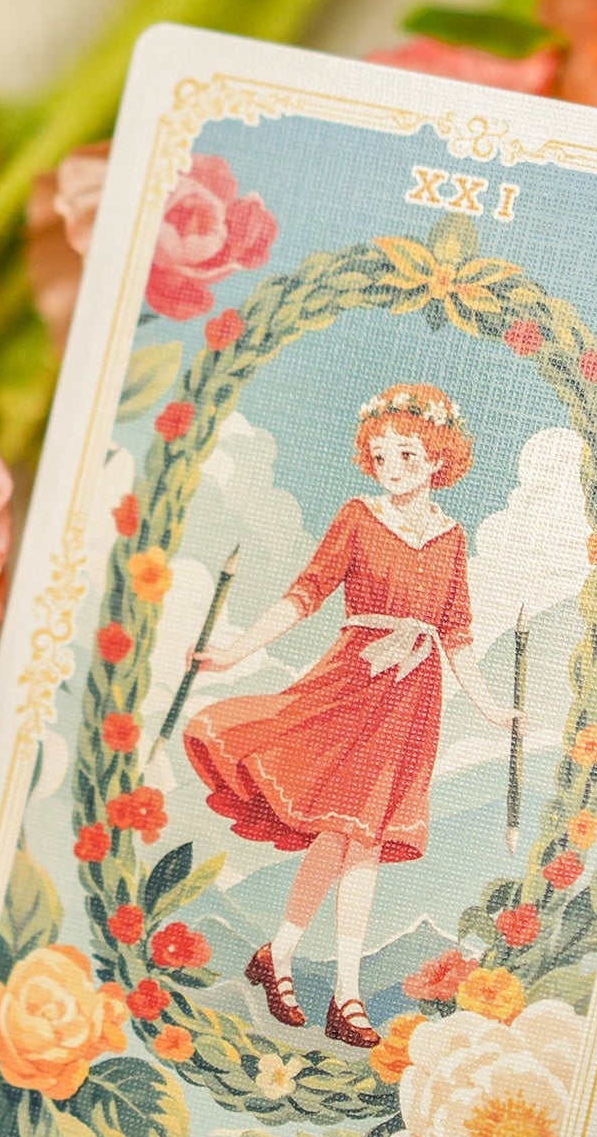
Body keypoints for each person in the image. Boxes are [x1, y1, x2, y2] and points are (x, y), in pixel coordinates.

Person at [185, 383, 520, 1049]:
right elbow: (306, 593)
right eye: (380, 454)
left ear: (438, 459)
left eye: (407, 454)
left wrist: (490, 708)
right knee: (349, 834)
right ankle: (340, 991)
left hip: (412, 697)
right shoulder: (360, 517)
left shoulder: (452, 539)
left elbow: (455, 633)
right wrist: (234, 652)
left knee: (354, 836)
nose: (390, 466)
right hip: (353, 681)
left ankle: (290, 961)